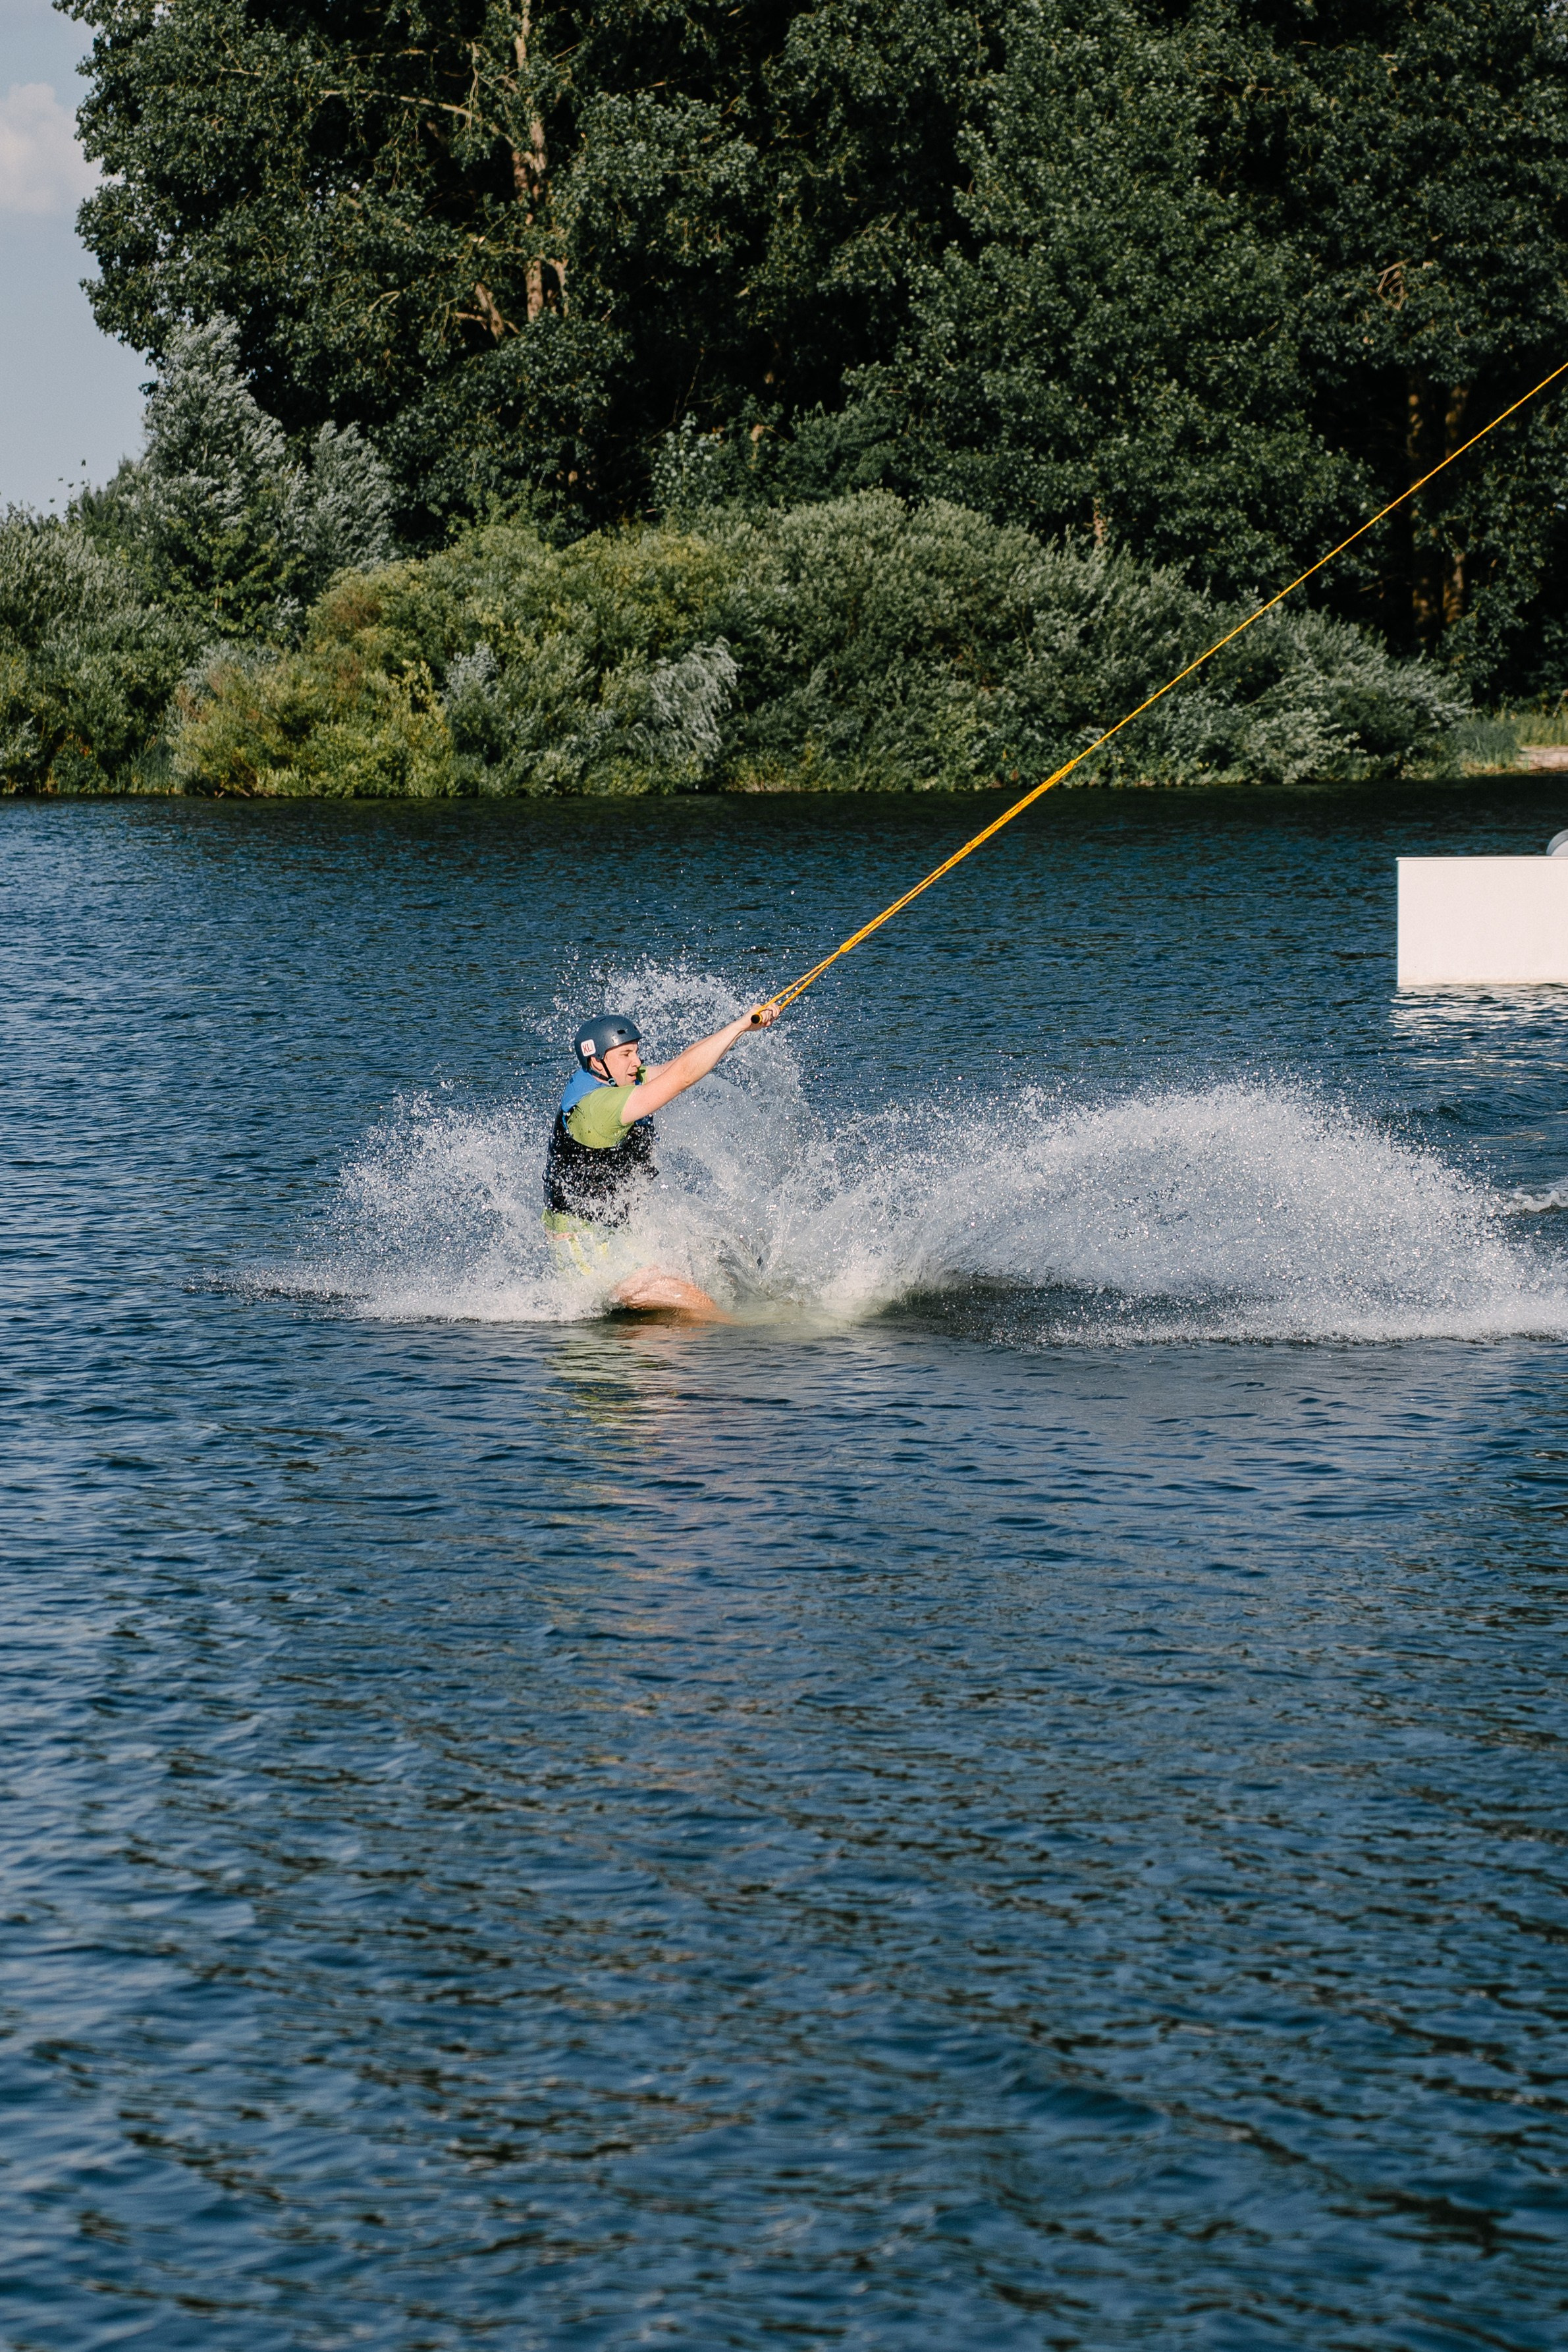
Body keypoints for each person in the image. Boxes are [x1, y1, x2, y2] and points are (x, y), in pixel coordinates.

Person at [542, 1003, 779, 1315]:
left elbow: (681, 1063)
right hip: (586, 1243)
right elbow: (682, 1077)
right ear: (597, 1062)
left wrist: (742, 1028)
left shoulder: (614, 1079)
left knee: (722, 1260)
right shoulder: (598, 1108)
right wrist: (736, 1026)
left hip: (616, 1232)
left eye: (636, 1051)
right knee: (701, 1308)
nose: (637, 1062)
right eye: (625, 1055)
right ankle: (748, 1343)